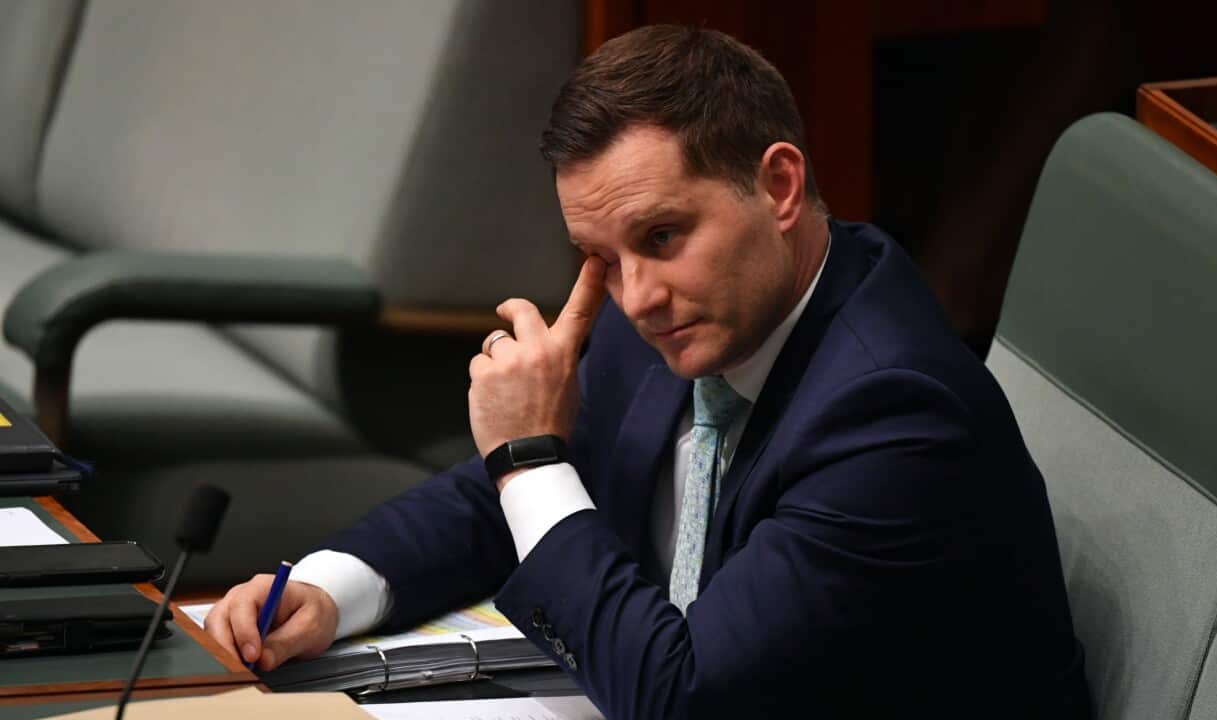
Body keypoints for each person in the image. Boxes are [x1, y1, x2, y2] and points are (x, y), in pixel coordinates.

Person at [208, 25, 1090, 718]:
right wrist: (330, 589)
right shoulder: (675, 315)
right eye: (600, 254)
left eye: (663, 238)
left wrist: (529, 458)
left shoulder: (894, 415)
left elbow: (681, 698)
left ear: (779, 186)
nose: (633, 296)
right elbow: (510, 501)